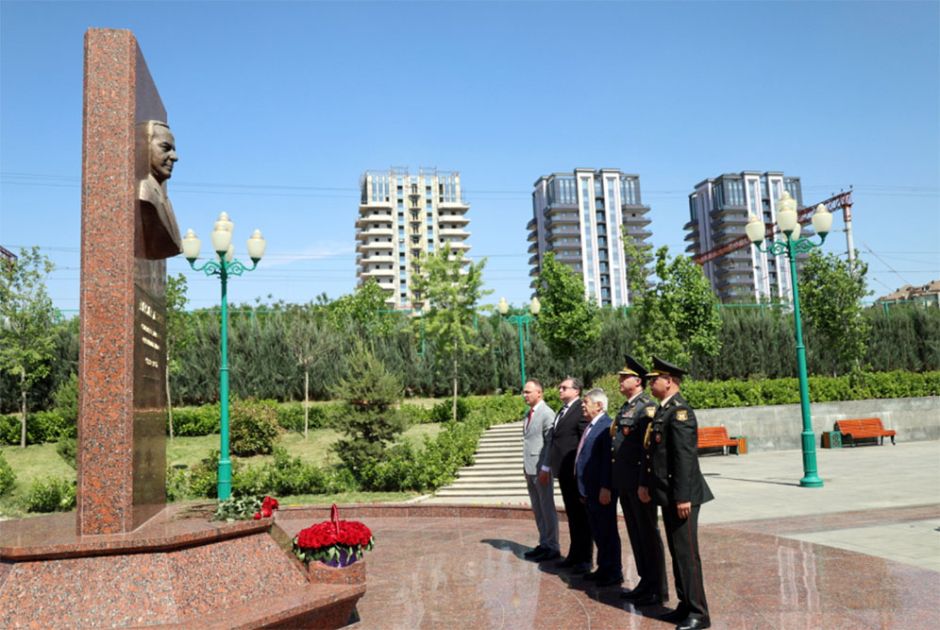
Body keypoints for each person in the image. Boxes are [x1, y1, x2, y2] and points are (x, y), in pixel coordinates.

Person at [639, 357, 713, 630]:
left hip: (683, 496)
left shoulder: (681, 412)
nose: (650, 384)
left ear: (668, 381)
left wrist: (683, 497)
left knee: (687, 555)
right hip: (669, 494)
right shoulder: (664, 410)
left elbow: (684, 458)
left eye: (654, 379)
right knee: (677, 552)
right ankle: (684, 604)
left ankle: (699, 613)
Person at [611, 355, 668, 606]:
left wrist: (644, 482)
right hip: (625, 482)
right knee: (636, 534)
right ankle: (645, 581)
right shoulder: (626, 408)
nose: (620, 381)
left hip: (638, 483)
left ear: (637, 381)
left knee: (648, 534)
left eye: (625, 377)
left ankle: (657, 587)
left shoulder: (646, 408)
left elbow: (647, 451)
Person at [543, 377, 593, 572]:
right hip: (563, 471)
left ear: (576, 390)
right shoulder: (563, 410)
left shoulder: (580, 409)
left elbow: (583, 440)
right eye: (559, 387)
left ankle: (585, 559)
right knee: (572, 515)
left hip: (574, 471)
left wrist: (581, 470)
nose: (560, 390)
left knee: (581, 516)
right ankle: (574, 554)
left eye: (564, 388)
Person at [574, 388, 622, 587]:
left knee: (607, 530)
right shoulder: (592, 425)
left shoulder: (606, 426)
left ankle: (613, 571)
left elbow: (607, 461)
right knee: (598, 531)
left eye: (586, 402)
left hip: (601, 489)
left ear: (599, 405)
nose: (583, 405)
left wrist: (606, 487)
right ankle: (603, 568)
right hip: (590, 489)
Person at [521, 379, 560, 562]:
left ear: (539, 393)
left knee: (547, 507)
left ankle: (552, 546)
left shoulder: (547, 413)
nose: (525, 395)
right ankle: (544, 543)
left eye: (528, 392)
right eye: (524, 392)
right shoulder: (528, 414)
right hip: (529, 468)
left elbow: (550, 443)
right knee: (537, 508)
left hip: (541, 469)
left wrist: (546, 467)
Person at [136, 120, 182, 259]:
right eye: (165, 148)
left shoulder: (163, 197)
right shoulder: (145, 193)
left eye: (173, 150)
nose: (174, 157)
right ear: (144, 147)